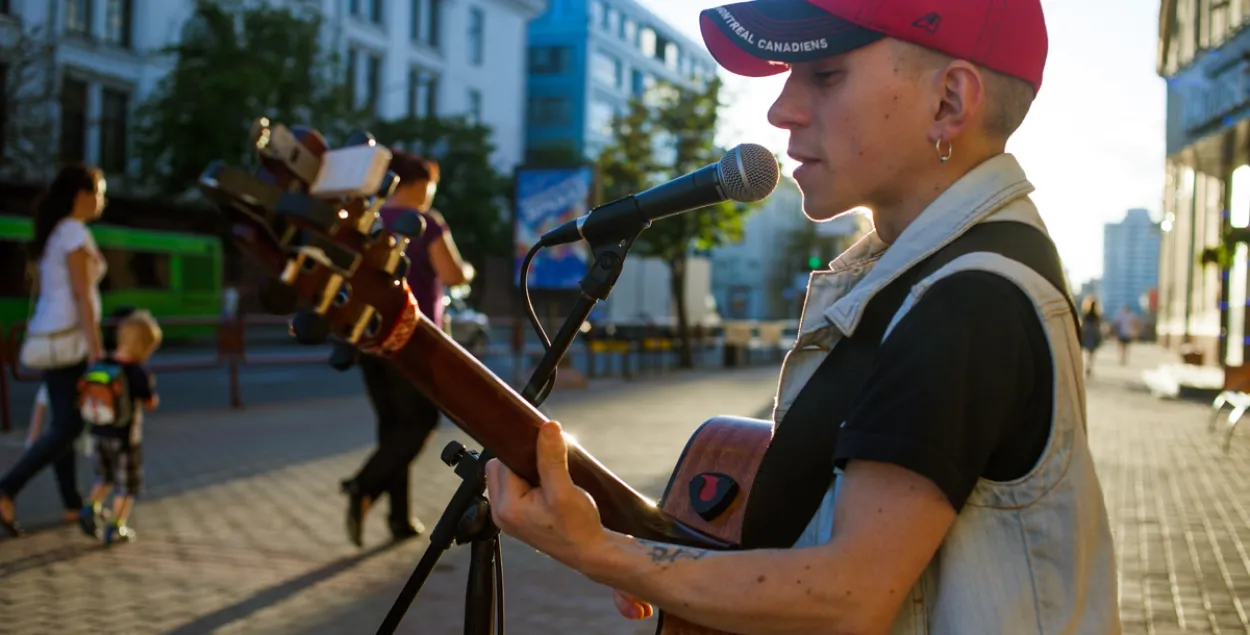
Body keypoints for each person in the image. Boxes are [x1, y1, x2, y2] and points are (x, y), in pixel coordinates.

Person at [482, 1, 1122, 634]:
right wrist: (666, 562)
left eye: (825, 75)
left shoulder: (967, 299)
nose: (778, 109)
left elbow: (846, 595)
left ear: (950, 101)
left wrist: (599, 552)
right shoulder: (916, 276)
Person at [340, 150, 475, 547]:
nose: (430, 196)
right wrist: (468, 271)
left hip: (367, 335)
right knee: (420, 423)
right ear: (415, 185)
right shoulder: (426, 224)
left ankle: (399, 518)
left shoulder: (368, 221)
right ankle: (363, 485)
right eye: (430, 188)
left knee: (393, 429)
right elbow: (452, 274)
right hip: (410, 338)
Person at [0, 164, 108, 537]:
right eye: (99, 191)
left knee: (66, 420)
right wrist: (97, 350)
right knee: (69, 425)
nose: (102, 200)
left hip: (52, 336)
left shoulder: (55, 234)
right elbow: (82, 296)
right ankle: (7, 488)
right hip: (70, 340)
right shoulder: (74, 233)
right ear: (82, 195)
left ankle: (71, 503)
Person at [77, 310, 162, 545]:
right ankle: (117, 525)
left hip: (98, 433)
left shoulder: (102, 363)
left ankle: (89, 508)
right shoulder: (137, 372)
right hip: (125, 439)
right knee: (127, 485)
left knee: (104, 476)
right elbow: (151, 403)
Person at [1081, 297, 1103, 375]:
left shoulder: (1086, 314)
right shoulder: (1097, 315)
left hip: (1088, 333)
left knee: (1088, 352)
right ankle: (1089, 366)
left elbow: (1083, 324)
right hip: (1094, 334)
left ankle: (1088, 366)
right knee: (1092, 352)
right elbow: (1099, 325)